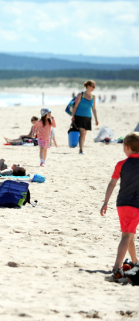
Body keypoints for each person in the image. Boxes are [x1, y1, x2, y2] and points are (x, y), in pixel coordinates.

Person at [101, 133, 139, 282]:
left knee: (128, 234)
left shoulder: (121, 164)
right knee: (126, 235)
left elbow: (112, 184)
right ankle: (116, 268)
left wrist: (105, 202)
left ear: (127, 147)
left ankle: (135, 262)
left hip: (121, 204)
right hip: (135, 205)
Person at [71, 80, 99, 155]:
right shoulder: (81, 95)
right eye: (93, 86)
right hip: (79, 116)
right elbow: (75, 106)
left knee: (84, 134)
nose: (94, 88)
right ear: (88, 86)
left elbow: (94, 108)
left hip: (88, 118)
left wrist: (96, 119)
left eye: (94, 86)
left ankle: (81, 147)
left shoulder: (93, 96)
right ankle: (81, 150)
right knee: (82, 133)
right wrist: (73, 116)